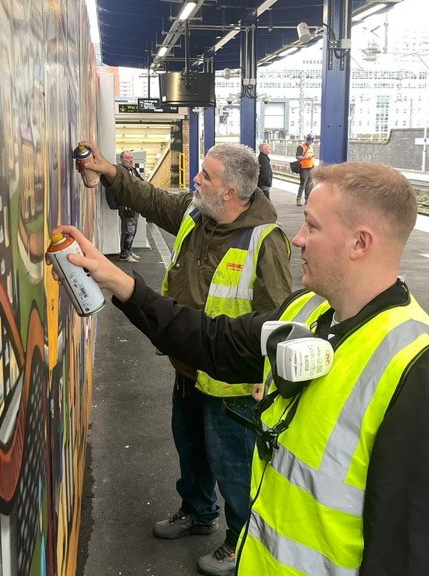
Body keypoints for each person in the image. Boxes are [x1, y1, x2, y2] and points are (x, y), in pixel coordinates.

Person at [56, 161, 429, 575]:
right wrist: (119, 283)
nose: (299, 238)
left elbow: (415, 557)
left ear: (360, 243)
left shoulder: (420, 372)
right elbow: (209, 340)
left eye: (313, 226)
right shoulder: (306, 312)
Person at [75, 140, 293, 576]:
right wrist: (112, 171)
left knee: (233, 467)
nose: (196, 179)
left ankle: (239, 542)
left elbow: (278, 318)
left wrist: (268, 378)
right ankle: (197, 512)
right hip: (188, 366)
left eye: (206, 175)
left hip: (232, 385)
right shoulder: (199, 215)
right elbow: (152, 201)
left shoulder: (264, 241)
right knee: (190, 449)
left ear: (229, 192)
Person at [118, 150, 142, 262]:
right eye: (128, 158)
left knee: (133, 230)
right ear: (122, 159)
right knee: (128, 230)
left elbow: (141, 182)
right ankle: (124, 254)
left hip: (134, 204)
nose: (131, 160)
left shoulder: (132, 170)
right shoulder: (120, 171)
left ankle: (129, 250)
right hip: (126, 205)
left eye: (131, 158)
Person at [295, 134, 315, 206]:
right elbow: (298, 157)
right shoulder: (301, 147)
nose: (310, 142)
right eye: (309, 141)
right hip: (304, 168)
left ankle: (307, 199)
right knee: (303, 184)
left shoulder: (311, 147)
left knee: (309, 185)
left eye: (311, 141)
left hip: (311, 167)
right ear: (306, 140)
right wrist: (306, 158)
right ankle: (299, 199)